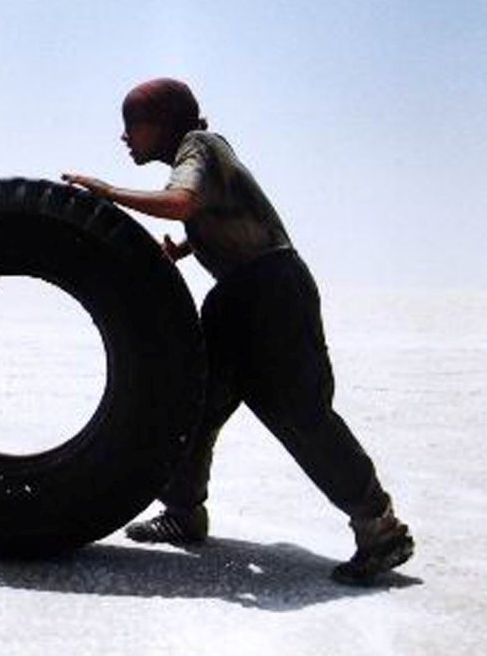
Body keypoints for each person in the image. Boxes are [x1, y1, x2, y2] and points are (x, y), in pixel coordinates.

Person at [61, 78, 414, 585]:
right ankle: (184, 513)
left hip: (271, 294)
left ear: (160, 124)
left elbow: (184, 201)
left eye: (130, 125)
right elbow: (219, 215)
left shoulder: (198, 147)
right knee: (195, 405)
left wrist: (106, 192)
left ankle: (380, 528)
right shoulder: (200, 151)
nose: (124, 138)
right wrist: (184, 251)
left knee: (300, 413)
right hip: (238, 293)